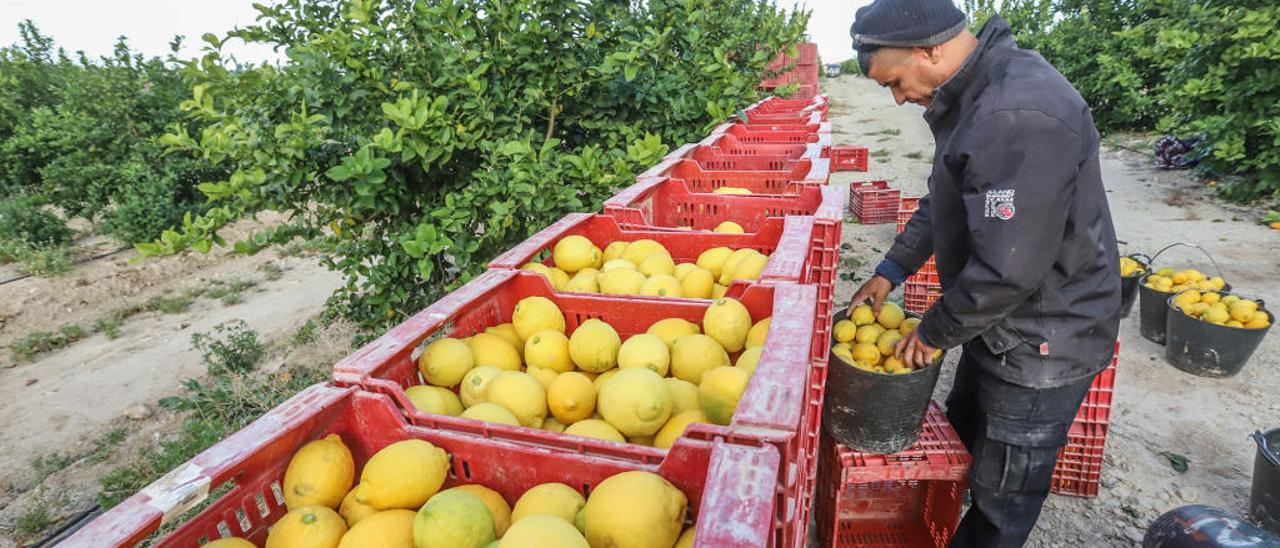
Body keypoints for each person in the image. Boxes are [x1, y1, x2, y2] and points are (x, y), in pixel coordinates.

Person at [846, 1, 1121, 546]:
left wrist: (931, 332)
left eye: (895, 82)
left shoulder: (1015, 115)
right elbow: (944, 197)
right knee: (967, 430)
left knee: (1004, 499)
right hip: (997, 324)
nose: (899, 98)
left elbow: (1006, 268)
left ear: (930, 49)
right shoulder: (974, 97)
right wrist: (892, 268)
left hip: (1044, 336)